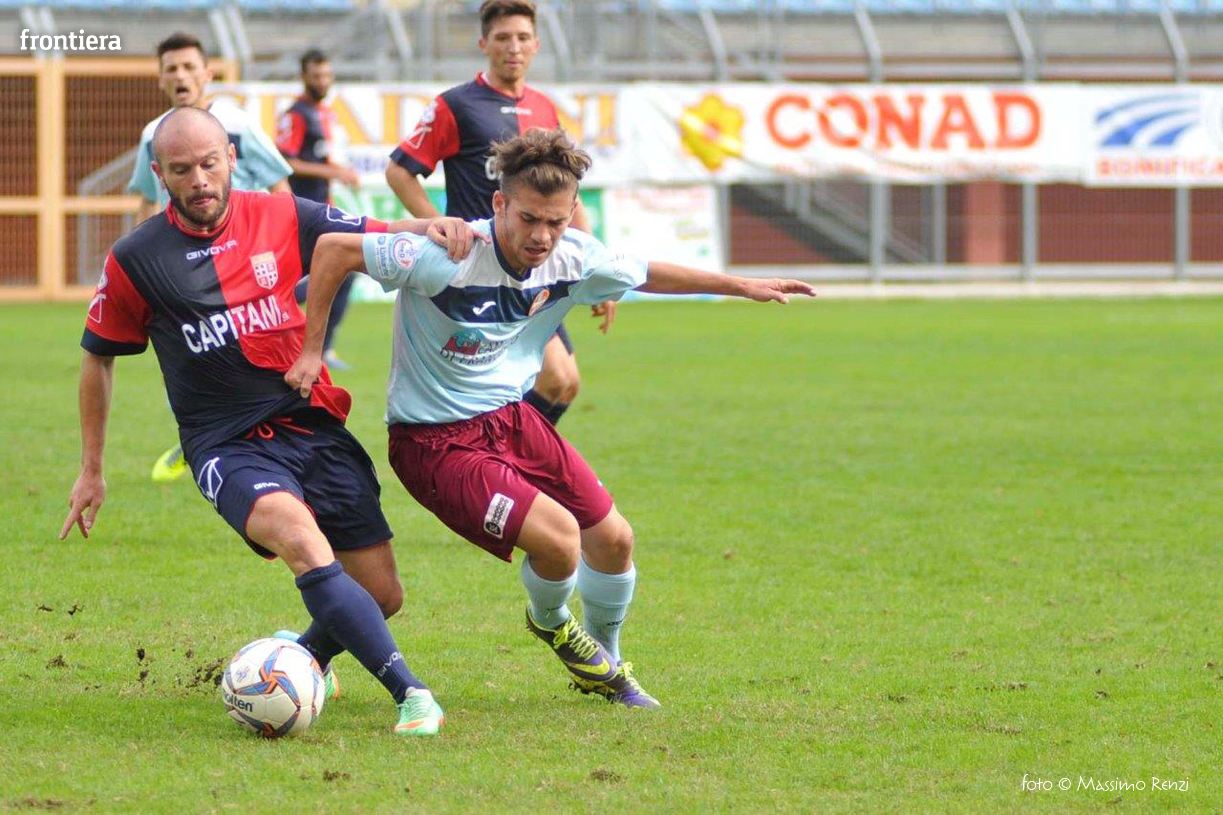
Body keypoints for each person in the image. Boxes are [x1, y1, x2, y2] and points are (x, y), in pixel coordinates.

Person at [289, 128, 815, 709]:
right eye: (529, 219)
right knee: (561, 541)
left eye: (556, 222)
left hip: (513, 420)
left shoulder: (573, 257)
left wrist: (740, 285)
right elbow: (334, 249)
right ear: (499, 204)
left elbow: (647, 272)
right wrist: (312, 351)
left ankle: (605, 660)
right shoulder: (449, 254)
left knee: (614, 540)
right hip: (434, 443)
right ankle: (553, 622)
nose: (542, 236)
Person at [62, 106, 480, 736]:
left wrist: (432, 225)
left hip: (309, 424)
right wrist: (91, 469)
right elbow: (97, 358)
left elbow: (376, 232)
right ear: (159, 174)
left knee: (381, 595)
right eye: (182, 170)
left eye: (209, 164)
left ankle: (303, 656)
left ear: (231, 158)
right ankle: (413, 696)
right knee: (300, 540)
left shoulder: (281, 214)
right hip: (224, 444)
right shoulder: (135, 259)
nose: (199, 180)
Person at [385, 0, 611, 427]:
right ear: (483, 44)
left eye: (523, 37)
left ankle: (501, 453)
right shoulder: (456, 105)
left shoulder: (544, 108)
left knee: (563, 383)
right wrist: (438, 224)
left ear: (537, 44)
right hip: (481, 268)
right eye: (503, 37)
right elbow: (399, 171)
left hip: (531, 269)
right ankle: (497, 452)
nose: (514, 47)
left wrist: (597, 268)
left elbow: (565, 195)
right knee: (553, 377)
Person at [130, 32, 294, 483]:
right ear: (160, 78)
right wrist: (140, 267)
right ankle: (208, 433)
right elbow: (147, 202)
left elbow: (279, 184)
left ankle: (249, 436)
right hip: (189, 267)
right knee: (189, 352)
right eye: (171, 69)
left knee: (266, 354)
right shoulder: (154, 135)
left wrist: (286, 247)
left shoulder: (237, 123)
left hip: (249, 262)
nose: (180, 75)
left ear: (207, 73)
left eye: (189, 67)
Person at [276, 49, 363, 372]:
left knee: (345, 272)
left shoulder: (324, 114)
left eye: (327, 75)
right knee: (325, 274)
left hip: (322, 209)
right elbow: (286, 162)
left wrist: (334, 177)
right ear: (304, 77)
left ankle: (322, 349)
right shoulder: (295, 115)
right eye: (316, 76)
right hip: (300, 212)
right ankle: (270, 310)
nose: (323, 81)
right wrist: (334, 172)